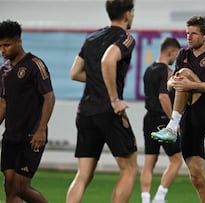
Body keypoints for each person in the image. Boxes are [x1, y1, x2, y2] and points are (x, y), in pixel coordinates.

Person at [151, 16, 205, 203]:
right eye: (187, 33)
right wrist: (175, 82)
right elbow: (171, 84)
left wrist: (188, 83)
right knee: (196, 177)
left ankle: (171, 126)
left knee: (184, 73)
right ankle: (174, 124)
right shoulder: (182, 55)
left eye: (193, 33)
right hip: (189, 117)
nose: (189, 37)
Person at [66, 1, 138, 203]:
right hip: (108, 112)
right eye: (132, 12)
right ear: (127, 14)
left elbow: (75, 73)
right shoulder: (126, 38)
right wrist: (115, 99)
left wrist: (99, 79)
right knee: (130, 168)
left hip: (85, 112)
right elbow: (108, 60)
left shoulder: (91, 38)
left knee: (83, 175)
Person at [0, 20, 55, 203]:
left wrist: (41, 129)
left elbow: (49, 98)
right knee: (9, 187)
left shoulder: (35, 65)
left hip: (31, 136)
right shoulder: (4, 72)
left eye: (6, 45)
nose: (3, 50)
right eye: (0, 46)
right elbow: (3, 104)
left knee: (20, 188)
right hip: (10, 137)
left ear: (18, 42)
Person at [140, 37, 183, 203]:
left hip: (148, 119)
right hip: (163, 120)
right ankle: (159, 197)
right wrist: (174, 121)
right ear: (170, 51)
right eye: (176, 55)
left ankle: (145, 199)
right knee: (176, 160)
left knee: (149, 162)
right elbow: (163, 97)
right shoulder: (166, 71)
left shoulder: (148, 70)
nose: (176, 59)